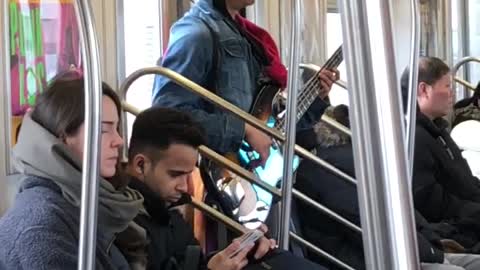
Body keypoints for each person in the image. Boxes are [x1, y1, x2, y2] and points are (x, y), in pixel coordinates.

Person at [125, 107, 328, 270]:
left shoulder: (168, 215)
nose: (186, 187)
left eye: (189, 174)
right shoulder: (123, 226)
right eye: (176, 174)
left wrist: (236, 251)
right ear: (141, 165)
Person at [295, 105, 480, 270]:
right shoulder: (336, 169)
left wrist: (431, 247)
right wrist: (431, 250)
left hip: (408, 250)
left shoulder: (349, 162)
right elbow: (369, 229)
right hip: (378, 259)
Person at [152, 0, 337, 162]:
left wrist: (316, 97)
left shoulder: (247, 37)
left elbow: (271, 122)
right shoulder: (195, 34)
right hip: (215, 173)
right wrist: (243, 130)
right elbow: (167, 116)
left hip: (249, 173)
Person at [0, 74, 146, 269]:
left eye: (117, 128)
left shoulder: (83, 203)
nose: (118, 141)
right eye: (104, 130)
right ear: (64, 136)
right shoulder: (42, 227)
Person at [400, 57, 480, 246]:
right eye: (447, 86)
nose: (453, 93)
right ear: (424, 90)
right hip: (456, 231)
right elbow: (434, 204)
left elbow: (464, 181)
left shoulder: (437, 130)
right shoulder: (414, 139)